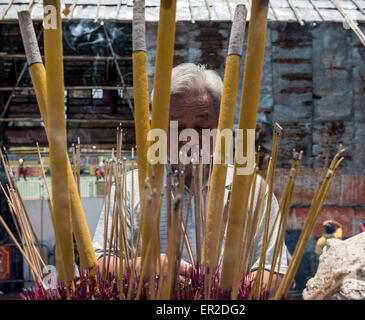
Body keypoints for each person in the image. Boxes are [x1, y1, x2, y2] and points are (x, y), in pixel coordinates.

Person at [92, 63, 289, 294]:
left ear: (219, 126)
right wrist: (141, 267)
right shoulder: (130, 187)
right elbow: (100, 263)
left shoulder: (250, 189)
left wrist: (222, 292)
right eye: (177, 128)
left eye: (202, 127)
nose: (189, 140)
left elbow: (273, 269)